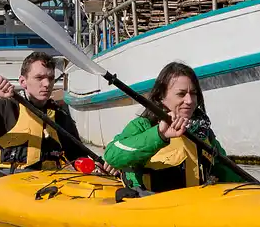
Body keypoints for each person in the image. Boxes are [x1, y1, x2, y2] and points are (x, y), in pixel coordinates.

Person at [103, 62, 242, 192]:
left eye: (193, 93)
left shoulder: (203, 133)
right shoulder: (143, 126)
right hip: (153, 207)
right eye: (181, 94)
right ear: (161, 97)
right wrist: (160, 135)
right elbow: (111, 155)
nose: (189, 101)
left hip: (195, 208)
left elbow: (227, 171)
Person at [0, 50, 95, 171]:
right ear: (22, 82)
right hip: (4, 181)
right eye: (39, 78)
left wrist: (98, 167)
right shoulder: (5, 108)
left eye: (50, 78)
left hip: (46, 186)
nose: (47, 84)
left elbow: (78, 158)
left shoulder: (60, 116)